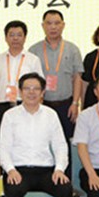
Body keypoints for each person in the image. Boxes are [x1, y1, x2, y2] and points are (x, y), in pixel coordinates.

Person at [0, 73, 73, 197]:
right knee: (13, 190)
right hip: (19, 170)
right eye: (27, 88)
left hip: (46, 171)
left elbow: (60, 145)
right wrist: (10, 170)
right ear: (20, 91)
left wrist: (59, 169)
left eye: (36, 89)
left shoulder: (50, 115)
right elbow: (3, 147)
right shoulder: (10, 116)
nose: (31, 92)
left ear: (42, 92)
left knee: (65, 189)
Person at [28, 10, 83, 138]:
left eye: (57, 23)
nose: (53, 27)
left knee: (66, 140)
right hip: (41, 105)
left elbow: (77, 78)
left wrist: (75, 103)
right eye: (49, 23)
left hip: (66, 106)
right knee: (42, 140)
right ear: (43, 26)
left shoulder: (72, 49)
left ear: (63, 25)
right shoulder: (34, 50)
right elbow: (30, 81)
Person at [0, 20, 43, 130]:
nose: (15, 38)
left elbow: (39, 86)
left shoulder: (33, 60)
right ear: (6, 38)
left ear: (25, 38)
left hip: (26, 105)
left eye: (19, 35)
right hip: (3, 106)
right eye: (12, 35)